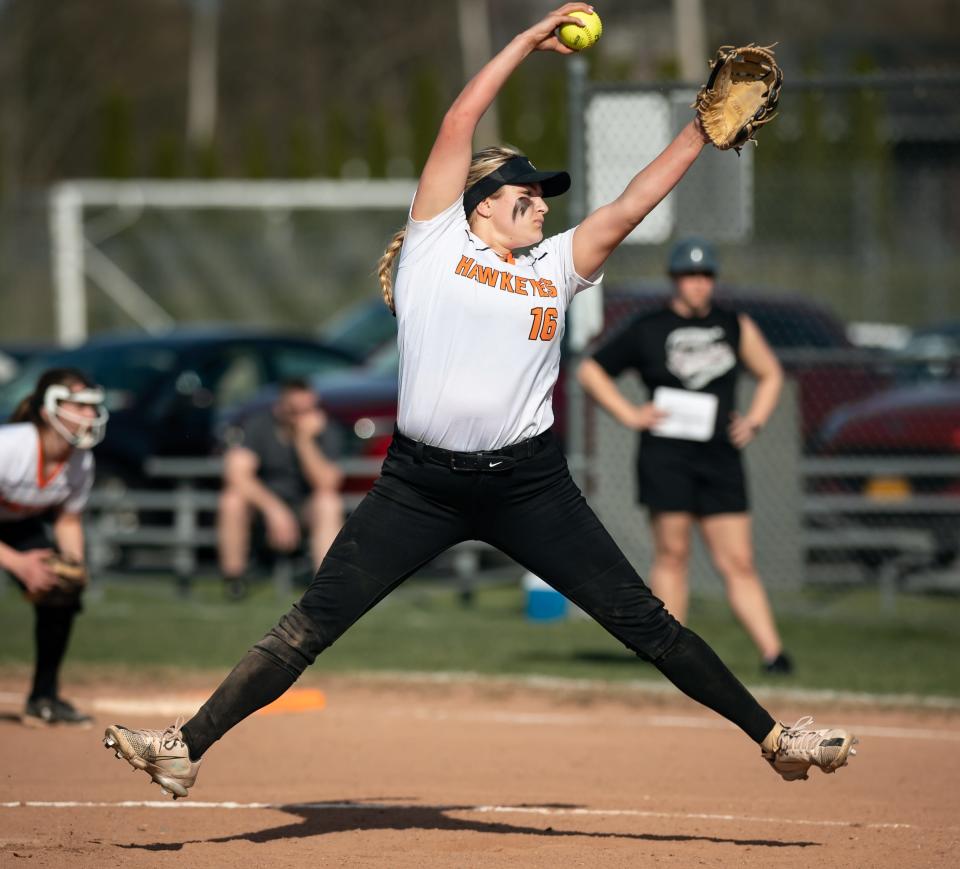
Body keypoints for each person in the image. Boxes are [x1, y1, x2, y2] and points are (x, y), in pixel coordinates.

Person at [103, 4, 856, 799]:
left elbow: (631, 205)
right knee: (307, 625)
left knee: (644, 620)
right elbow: (461, 118)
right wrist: (527, 41)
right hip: (418, 486)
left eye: (545, 196)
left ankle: (775, 737)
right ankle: (183, 747)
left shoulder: (556, 265)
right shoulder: (437, 242)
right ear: (484, 197)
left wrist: (699, 136)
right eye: (528, 193)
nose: (542, 203)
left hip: (529, 484)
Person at [577, 237, 793, 674]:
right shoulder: (648, 327)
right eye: (689, 276)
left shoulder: (734, 325)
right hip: (666, 458)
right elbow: (590, 370)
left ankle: (774, 655)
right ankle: (669, 653)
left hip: (719, 459)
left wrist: (754, 420)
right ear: (674, 280)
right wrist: (630, 414)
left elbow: (770, 373)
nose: (698, 284)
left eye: (705, 276)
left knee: (738, 561)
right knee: (672, 555)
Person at [0, 367, 108, 725]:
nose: (92, 415)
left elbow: (67, 519)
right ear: (49, 411)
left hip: (15, 525)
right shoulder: (10, 446)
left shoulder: (81, 459)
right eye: (81, 406)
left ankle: (43, 698)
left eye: (94, 407)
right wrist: (17, 564)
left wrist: (74, 564)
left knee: (61, 593)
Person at [217, 378, 344, 597]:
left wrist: (304, 441)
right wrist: (274, 510)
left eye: (309, 409)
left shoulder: (325, 431)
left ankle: (324, 587)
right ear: (280, 407)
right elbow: (236, 473)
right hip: (264, 506)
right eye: (295, 410)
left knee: (328, 502)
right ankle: (234, 581)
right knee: (232, 500)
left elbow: (327, 482)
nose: (302, 417)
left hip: (305, 507)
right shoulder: (260, 425)